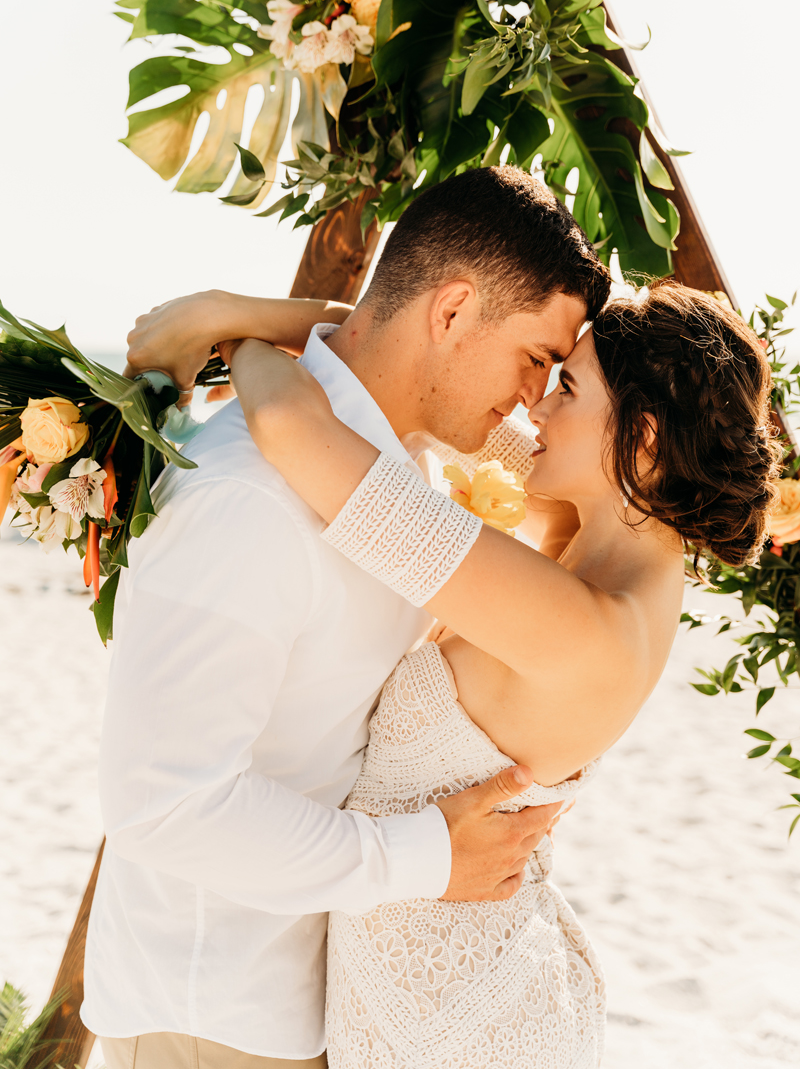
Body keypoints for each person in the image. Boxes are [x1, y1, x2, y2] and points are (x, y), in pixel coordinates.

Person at [84, 166, 612, 1069]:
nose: (532, 399)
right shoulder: (248, 497)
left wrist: (241, 317)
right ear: (451, 313)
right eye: (536, 359)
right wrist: (422, 858)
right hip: (210, 1012)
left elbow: (576, 459)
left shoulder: (403, 462)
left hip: (310, 1006)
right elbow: (160, 803)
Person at [198, 280, 777, 1068]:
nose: (535, 406)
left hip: (461, 1026)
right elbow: (428, 369)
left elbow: (290, 426)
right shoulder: (601, 541)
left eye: (566, 386)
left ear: (641, 436)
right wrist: (265, 321)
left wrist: (230, 334)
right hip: (456, 992)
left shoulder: (580, 623)